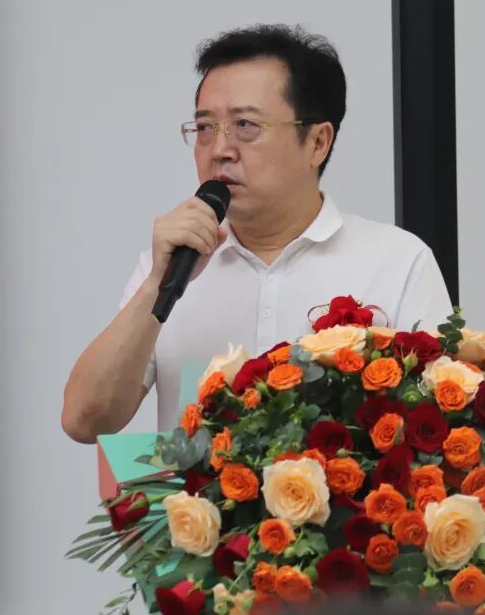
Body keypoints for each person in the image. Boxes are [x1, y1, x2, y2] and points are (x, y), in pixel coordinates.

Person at [61, 24, 453, 443]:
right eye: (205, 128)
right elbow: (85, 422)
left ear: (317, 142)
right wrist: (157, 284)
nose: (219, 150)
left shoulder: (397, 262)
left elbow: (443, 434)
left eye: (245, 125)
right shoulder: (172, 267)